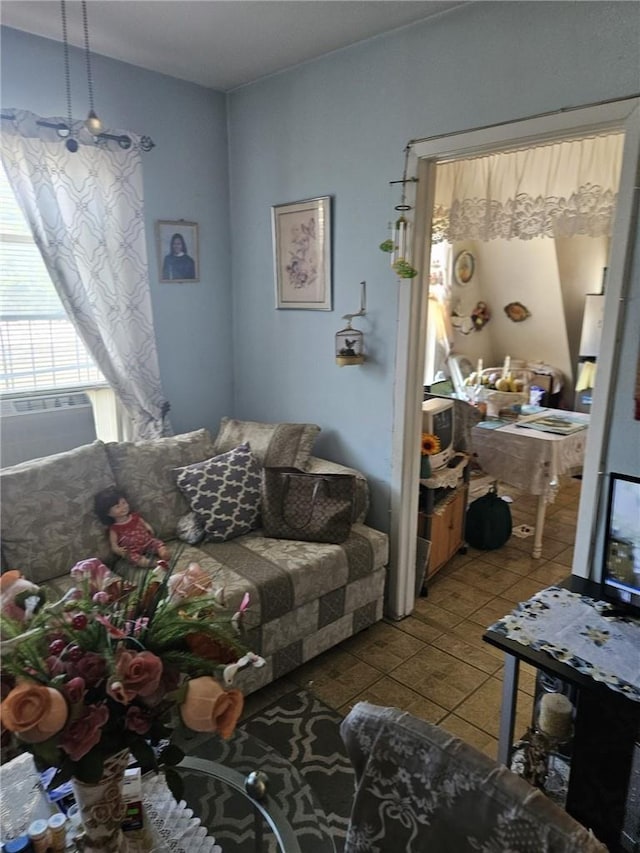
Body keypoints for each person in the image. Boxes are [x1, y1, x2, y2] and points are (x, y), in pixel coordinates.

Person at [94, 487, 170, 568]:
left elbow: (143, 523)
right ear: (108, 513)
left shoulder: (135, 516)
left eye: (124, 503)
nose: (123, 507)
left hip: (148, 542)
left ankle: (163, 553)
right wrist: (118, 550)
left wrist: (148, 527)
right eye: (117, 507)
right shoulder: (114, 529)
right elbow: (114, 545)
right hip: (133, 550)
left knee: (158, 544)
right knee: (134, 558)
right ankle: (153, 564)